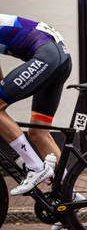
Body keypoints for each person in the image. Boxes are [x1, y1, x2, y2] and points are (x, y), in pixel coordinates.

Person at [0, 14, 72, 195]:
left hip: (48, 57)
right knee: (38, 133)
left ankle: (36, 168)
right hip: (58, 58)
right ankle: (68, 195)